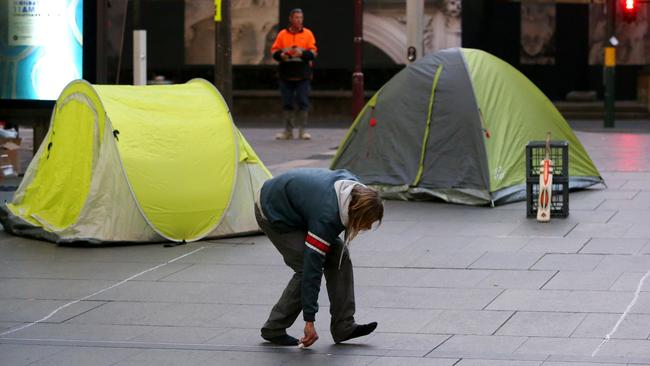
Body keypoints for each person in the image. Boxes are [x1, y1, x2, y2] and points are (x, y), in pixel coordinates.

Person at [255, 168, 383, 347]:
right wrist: (309, 322)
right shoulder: (327, 216)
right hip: (274, 211)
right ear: (356, 211)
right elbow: (311, 269)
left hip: (302, 208)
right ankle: (274, 328)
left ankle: (344, 326)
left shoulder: (356, 191)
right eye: (367, 221)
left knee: (340, 256)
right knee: (303, 267)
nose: (368, 227)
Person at [270, 8, 317, 140]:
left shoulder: (308, 34)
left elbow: (313, 53)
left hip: (303, 75)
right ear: (290, 19)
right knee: (287, 102)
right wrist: (283, 55)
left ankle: (303, 131)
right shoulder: (282, 35)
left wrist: (302, 53)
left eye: (301, 17)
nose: (299, 20)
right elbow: (274, 52)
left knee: (303, 101)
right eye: (296, 17)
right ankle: (288, 131)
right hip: (286, 74)